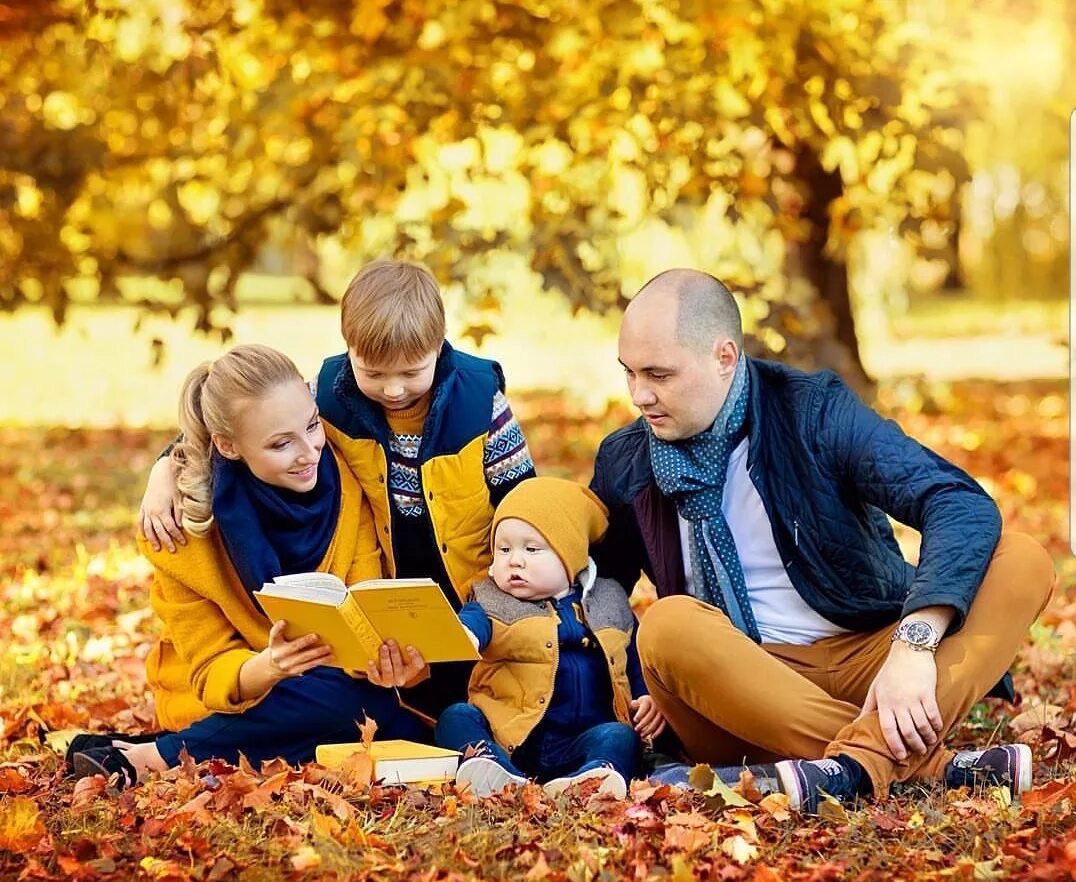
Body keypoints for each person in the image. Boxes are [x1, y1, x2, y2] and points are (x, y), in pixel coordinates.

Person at [589, 268, 1056, 813]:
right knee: (668, 625)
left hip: (871, 660)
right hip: (745, 688)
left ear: (725, 357)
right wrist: (639, 687)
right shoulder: (627, 459)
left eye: (659, 374)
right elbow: (601, 581)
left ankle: (846, 769)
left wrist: (914, 642)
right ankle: (921, 766)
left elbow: (956, 502)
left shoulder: (812, 411)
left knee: (1023, 559)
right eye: (629, 373)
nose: (639, 395)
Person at [137, 260, 536, 724]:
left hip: (473, 603)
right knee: (394, 711)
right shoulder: (326, 399)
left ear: (439, 346)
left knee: (469, 720)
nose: (393, 389)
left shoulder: (481, 405)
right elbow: (240, 425)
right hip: (391, 599)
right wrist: (165, 467)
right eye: (373, 372)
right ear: (349, 352)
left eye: (411, 372)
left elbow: (524, 508)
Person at [70, 345, 430, 788]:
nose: (309, 452)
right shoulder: (184, 531)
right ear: (228, 446)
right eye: (281, 443)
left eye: (312, 425)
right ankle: (160, 756)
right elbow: (208, 667)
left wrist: (381, 661)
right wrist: (271, 666)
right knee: (346, 708)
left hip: (329, 685)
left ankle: (160, 750)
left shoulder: (345, 479)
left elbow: (363, 612)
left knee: (397, 721)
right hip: (233, 695)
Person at [435, 477, 666, 799]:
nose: (515, 560)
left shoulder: (610, 600)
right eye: (503, 550)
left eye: (531, 549)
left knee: (619, 736)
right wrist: (463, 636)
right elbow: (470, 625)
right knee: (457, 716)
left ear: (571, 556)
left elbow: (637, 658)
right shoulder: (489, 599)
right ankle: (492, 767)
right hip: (509, 736)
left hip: (584, 737)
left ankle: (593, 775)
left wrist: (648, 696)